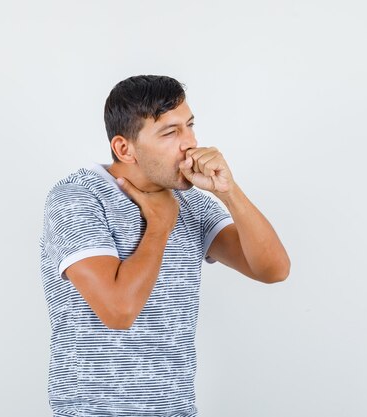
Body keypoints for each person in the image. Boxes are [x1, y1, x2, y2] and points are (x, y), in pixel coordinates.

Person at [39, 75, 290, 417]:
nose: (190, 143)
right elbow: (118, 311)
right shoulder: (78, 198)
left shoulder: (193, 203)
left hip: (177, 409)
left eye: (189, 126)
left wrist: (228, 191)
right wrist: (158, 226)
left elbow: (273, 269)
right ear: (124, 148)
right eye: (170, 133)